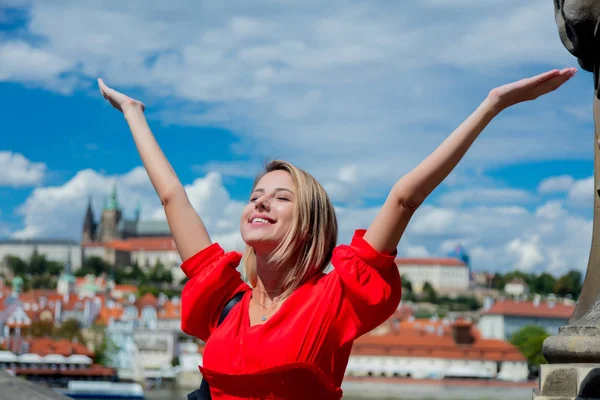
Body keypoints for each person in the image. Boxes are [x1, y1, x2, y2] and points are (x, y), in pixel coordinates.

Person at [98, 67, 576, 399]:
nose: (261, 201)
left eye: (281, 197)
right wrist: (133, 114)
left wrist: (492, 105)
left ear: (308, 224)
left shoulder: (334, 298)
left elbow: (403, 198)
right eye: (255, 194)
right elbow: (172, 197)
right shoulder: (226, 301)